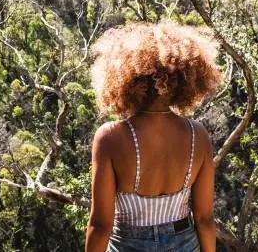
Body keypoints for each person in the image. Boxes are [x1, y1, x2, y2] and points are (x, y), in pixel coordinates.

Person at [85, 21, 222, 252]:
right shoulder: (198, 136)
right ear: (185, 79)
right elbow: (204, 218)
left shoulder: (110, 137)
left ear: (126, 78)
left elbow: (100, 225)